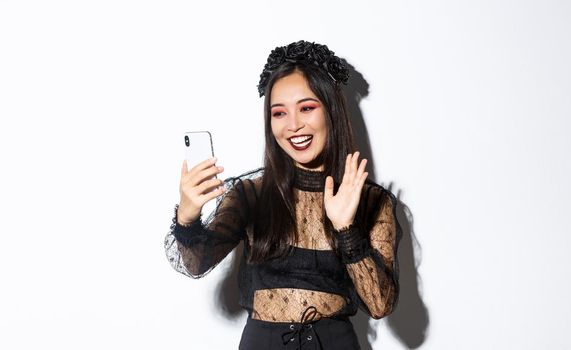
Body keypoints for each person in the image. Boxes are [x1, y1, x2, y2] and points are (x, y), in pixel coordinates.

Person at [164, 40, 401, 350]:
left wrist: (346, 229)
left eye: (306, 108)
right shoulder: (251, 194)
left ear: (331, 111)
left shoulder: (371, 201)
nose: (293, 125)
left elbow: (380, 304)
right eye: (279, 113)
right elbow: (195, 264)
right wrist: (187, 217)